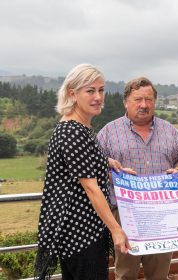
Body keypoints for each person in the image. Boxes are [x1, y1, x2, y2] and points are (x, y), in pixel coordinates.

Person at [34, 64, 131, 280]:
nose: (98, 97)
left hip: (82, 229)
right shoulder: (72, 132)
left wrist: (106, 162)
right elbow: (90, 187)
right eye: (90, 90)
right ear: (72, 93)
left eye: (101, 90)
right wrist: (116, 229)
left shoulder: (80, 128)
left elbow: (81, 161)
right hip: (80, 232)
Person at [97, 77, 178, 280]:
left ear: (154, 102)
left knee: (159, 274)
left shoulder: (171, 131)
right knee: (126, 273)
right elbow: (95, 166)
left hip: (162, 214)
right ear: (126, 102)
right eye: (138, 99)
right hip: (125, 214)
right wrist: (113, 176)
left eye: (148, 100)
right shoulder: (108, 132)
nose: (144, 105)